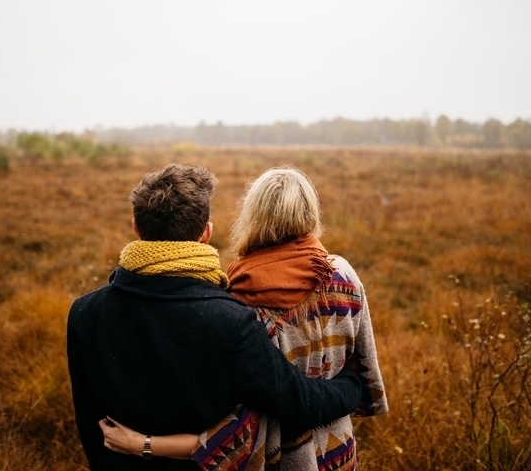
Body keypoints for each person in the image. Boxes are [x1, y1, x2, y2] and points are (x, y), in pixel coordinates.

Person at [67, 164, 364, 471]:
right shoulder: (231, 320)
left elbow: (89, 425)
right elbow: (299, 402)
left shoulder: (84, 313)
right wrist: (352, 386)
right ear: (206, 233)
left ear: (136, 228)